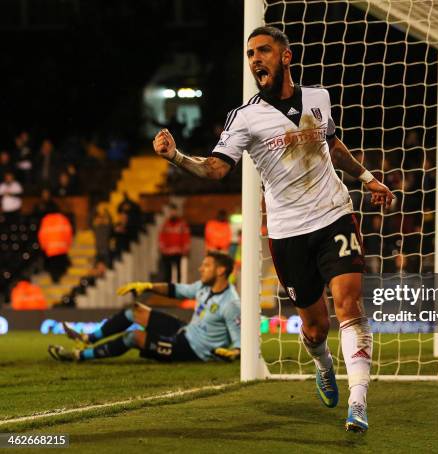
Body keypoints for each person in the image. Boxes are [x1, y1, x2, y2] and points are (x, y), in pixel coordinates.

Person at [152, 26, 394, 432]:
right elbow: (215, 169)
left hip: (335, 213)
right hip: (287, 232)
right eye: (249, 54)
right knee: (315, 327)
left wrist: (367, 177)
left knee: (349, 306)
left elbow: (331, 145)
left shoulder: (318, 98)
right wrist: (176, 156)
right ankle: (323, 363)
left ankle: (359, 401)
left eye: (263, 51)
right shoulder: (244, 118)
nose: (254, 60)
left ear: (286, 56)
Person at [48, 251, 240, 364]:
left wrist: (233, 352)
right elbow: (176, 290)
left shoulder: (231, 304)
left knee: (134, 337)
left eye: (206, 266)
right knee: (135, 311)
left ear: (221, 270)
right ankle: (87, 338)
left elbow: (240, 341)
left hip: (193, 351)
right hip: (185, 331)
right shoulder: (203, 287)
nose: (200, 269)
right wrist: (147, 286)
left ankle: (79, 355)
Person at [158, 203, 191, 282]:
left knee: (179, 272)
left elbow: (186, 236)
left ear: (177, 212)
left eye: (174, 211)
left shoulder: (182, 224)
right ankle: (168, 289)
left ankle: (178, 289)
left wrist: (186, 248)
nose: (173, 213)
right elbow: (161, 236)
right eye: (171, 211)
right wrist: (162, 248)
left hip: (178, 252)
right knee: (167, 273)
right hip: (167, 252)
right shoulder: (165, 224)